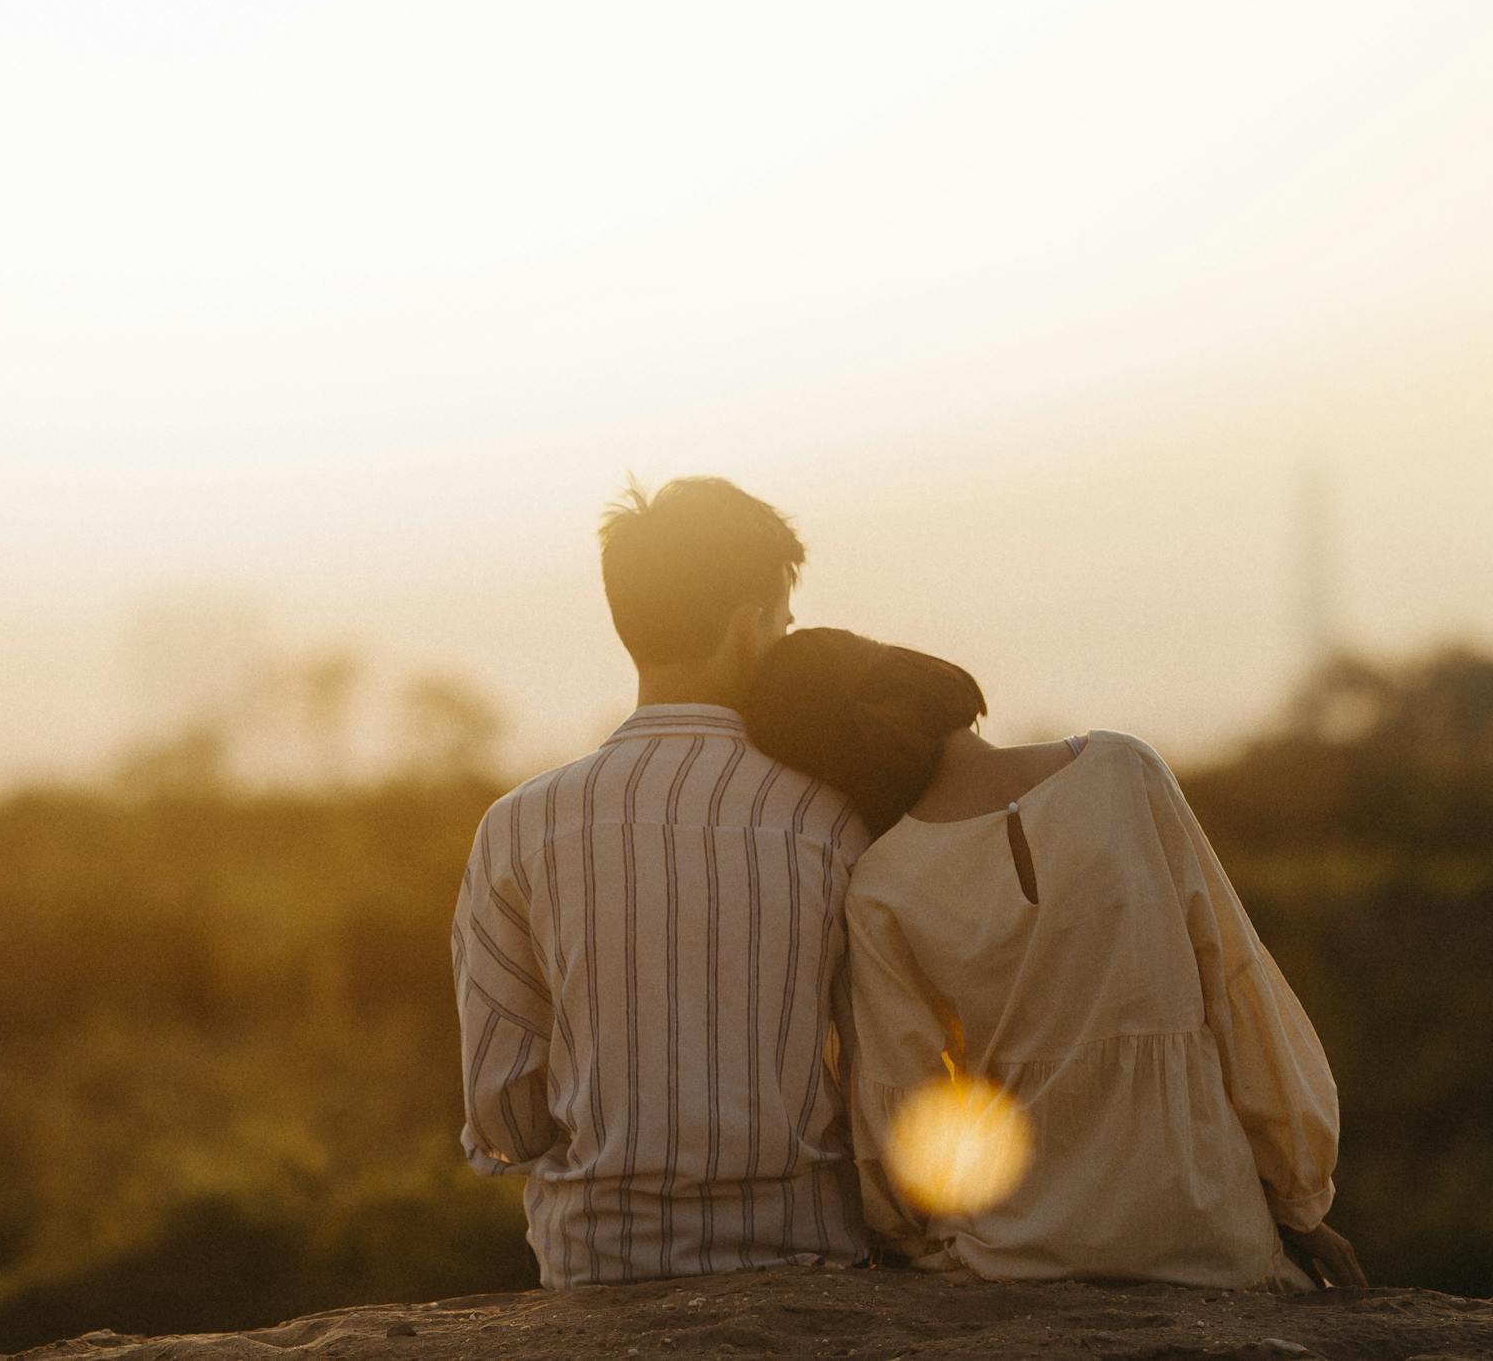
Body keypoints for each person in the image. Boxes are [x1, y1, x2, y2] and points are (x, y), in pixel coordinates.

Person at [739, 628, 1366, 1292]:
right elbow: (1237, 984)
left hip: (1012, 1253)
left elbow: (903, 1106)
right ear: (919, 674)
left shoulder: (881, 886)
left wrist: (905, 1235)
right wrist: (1299, 1199)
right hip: (1207, 1233)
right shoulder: (1125, 770)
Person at [453, 478, 871, 1287]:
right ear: (753, 624)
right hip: (808, 1255)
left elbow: (501, 1108)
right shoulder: (834, 818)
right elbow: (882, 1070)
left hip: (602, 1261)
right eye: (783, 622)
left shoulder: (520, 824)